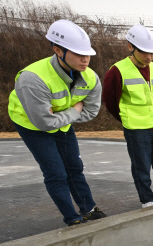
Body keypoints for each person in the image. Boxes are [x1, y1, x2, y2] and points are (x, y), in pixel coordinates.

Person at [8, 19, 106, 226]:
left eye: (87, 54)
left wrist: (62, 115)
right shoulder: (32, 78)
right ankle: (72, 218)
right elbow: (44, 122)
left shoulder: (91, 78)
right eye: (79, 54)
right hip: (32, 126)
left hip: (60, 122)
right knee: (55, 172)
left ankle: (89, 209)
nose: (85, 60)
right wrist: (75, 108)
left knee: (74, 167)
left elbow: (91, 111)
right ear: (58, 50)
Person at [102, 24, 153, 208]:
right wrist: (127, 118)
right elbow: (110, 101)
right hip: (136, 129)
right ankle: (147, 200)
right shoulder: (117, 71)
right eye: (144, 52)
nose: (149, 57)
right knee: (141, 166)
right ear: (130, 47)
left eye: (152, 53)